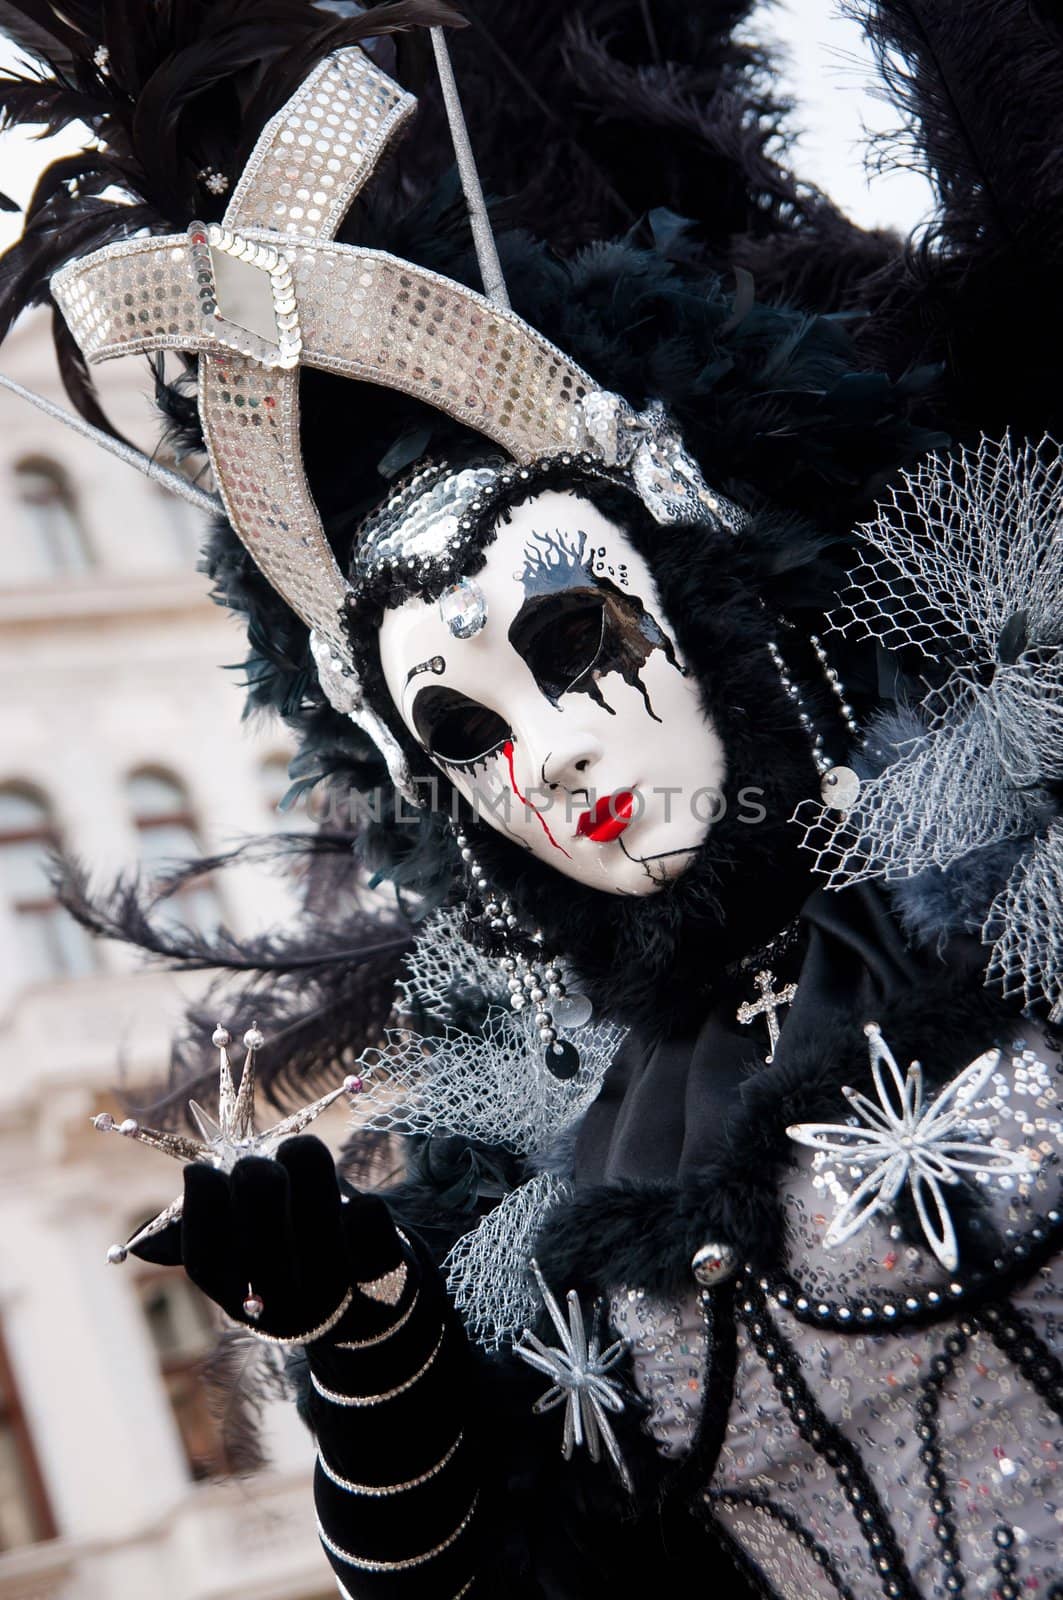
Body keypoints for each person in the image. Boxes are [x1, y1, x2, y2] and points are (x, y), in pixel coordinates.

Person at [1, 3, 1061, 1595]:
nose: (548, 756)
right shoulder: (554, 1163)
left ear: (695, 602)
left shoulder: (1012, 861)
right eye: (464, 733)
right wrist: (372, 1349)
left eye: (578, 643)